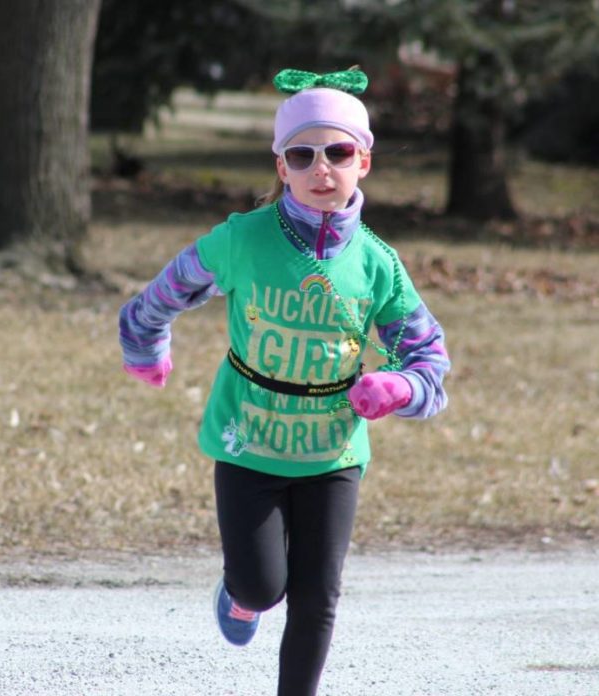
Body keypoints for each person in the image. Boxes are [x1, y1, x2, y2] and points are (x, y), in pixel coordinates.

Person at [119, 67, 450, 696]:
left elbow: (429, 362)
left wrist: (398, 389)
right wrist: (144, 346)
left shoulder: (378, 264)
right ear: (282, 167)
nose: (321, 168)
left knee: (318, 596)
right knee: (262, 586)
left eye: (339, 152)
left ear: (364, 162)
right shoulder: (243, 240)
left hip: (333, 454)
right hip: (250, 443)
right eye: (302, 155)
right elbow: (160, 296)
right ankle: (240, 596)